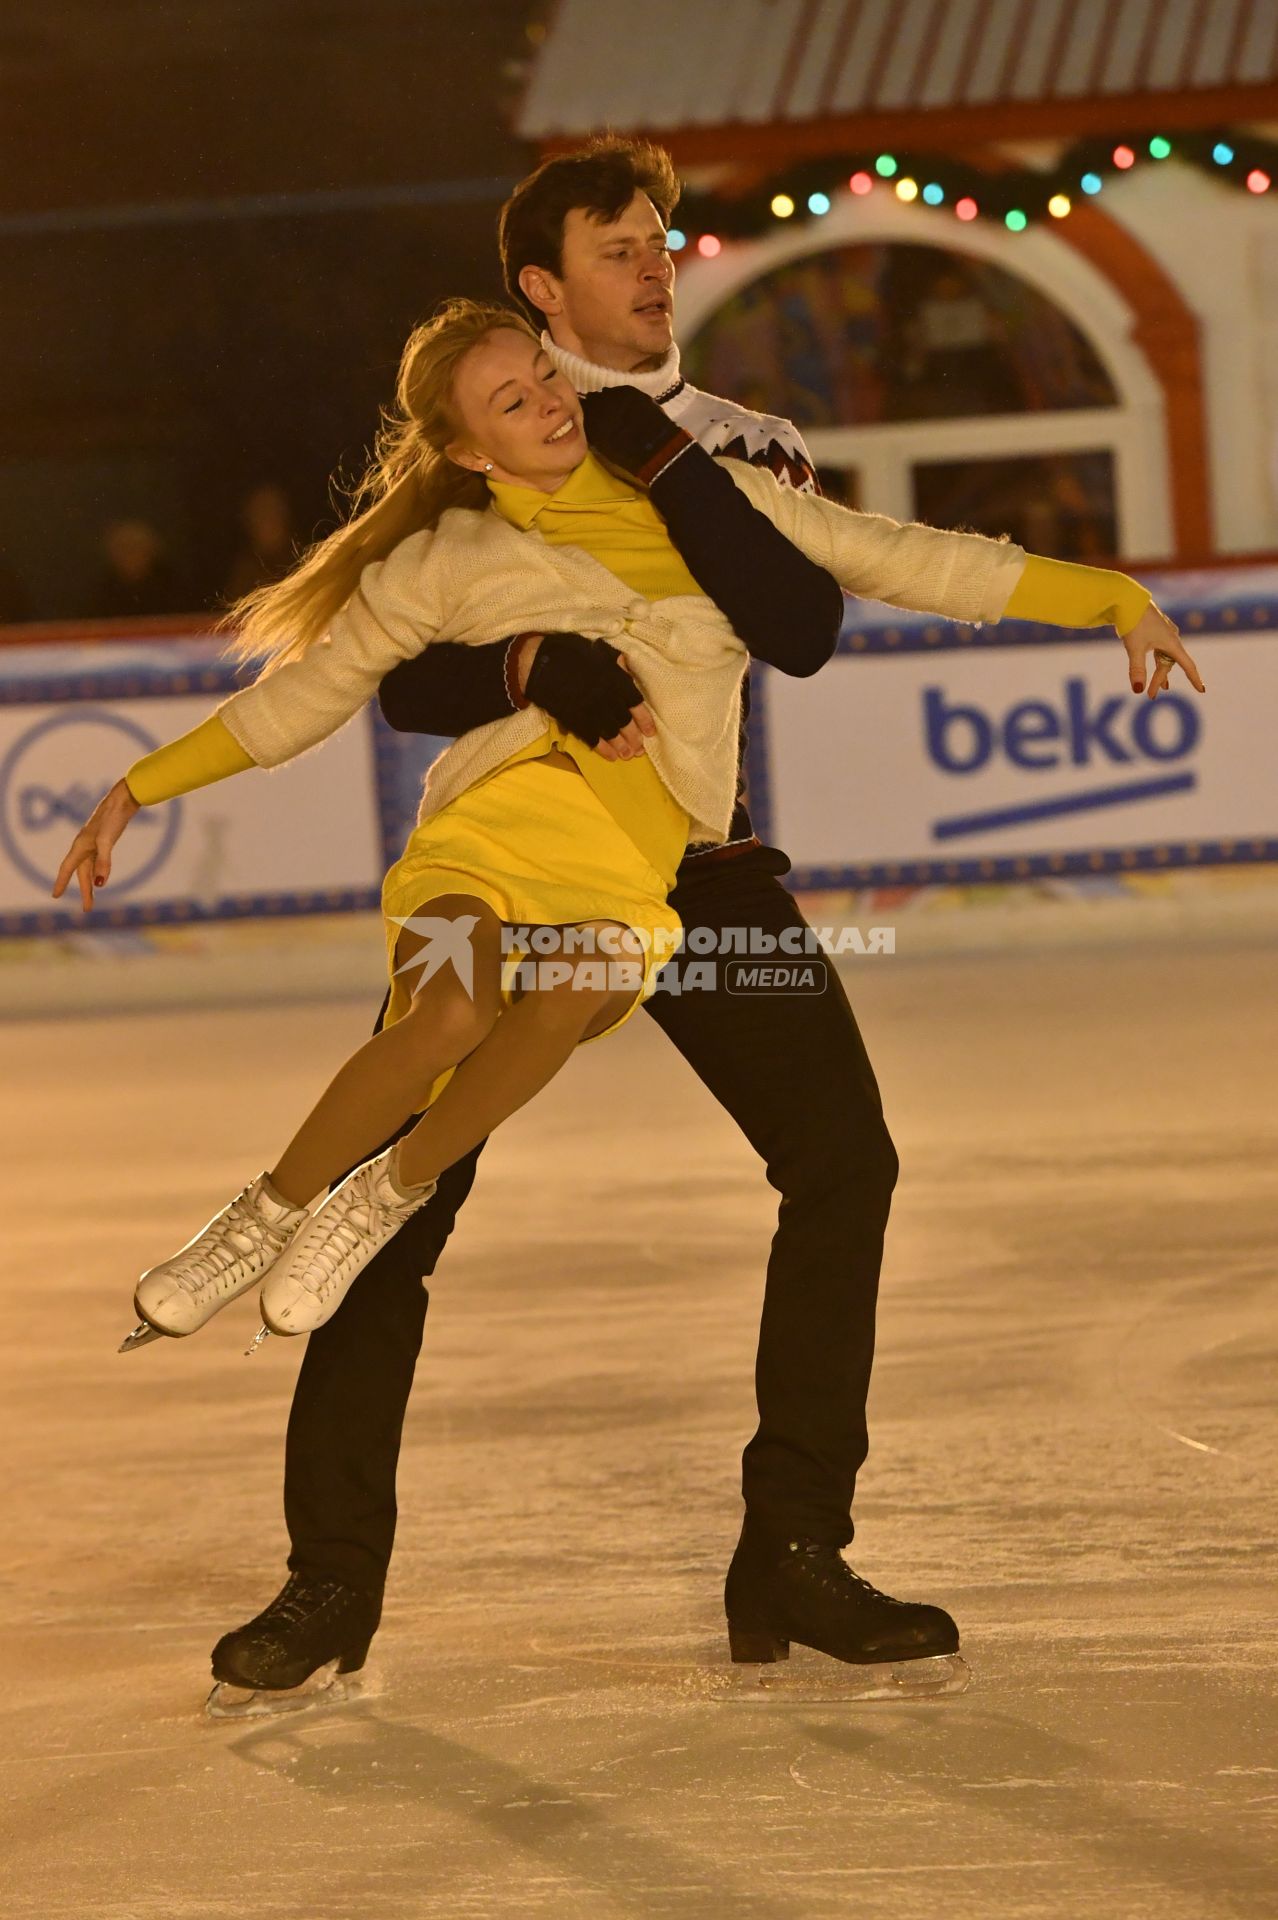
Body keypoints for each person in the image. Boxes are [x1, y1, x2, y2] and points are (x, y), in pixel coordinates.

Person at [63, 140, 1204, 1705]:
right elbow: (393, 679)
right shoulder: (480, 440)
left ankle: (791, 1551)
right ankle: (328, 1580)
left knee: (842, 1161)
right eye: (620, 247)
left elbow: (806, 621)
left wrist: (1089, 592)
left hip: (697, 870)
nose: (658, 264)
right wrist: (531, 665)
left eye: (662, 241)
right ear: (542, 292)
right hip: (523, 854)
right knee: (396, 1200)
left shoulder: (737, 444)